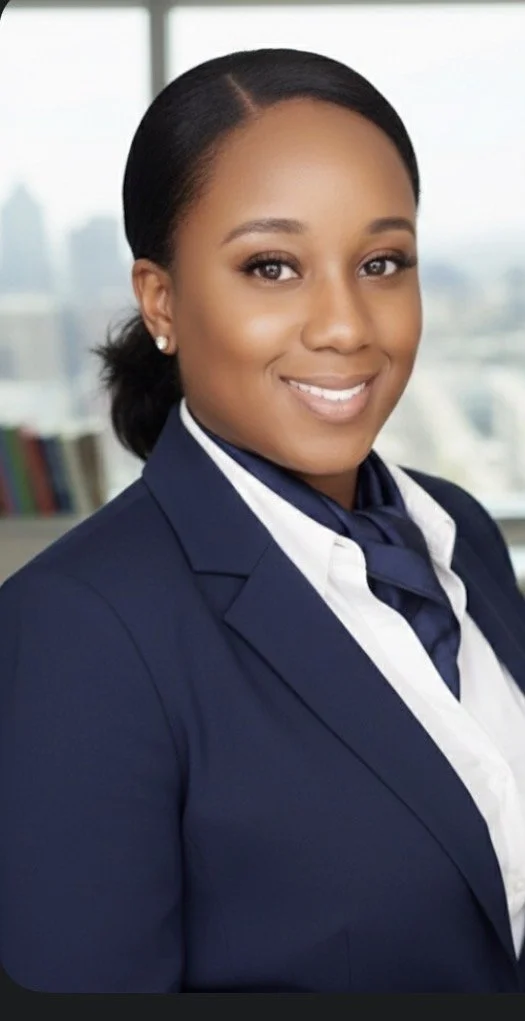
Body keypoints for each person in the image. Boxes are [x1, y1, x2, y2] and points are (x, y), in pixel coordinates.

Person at [1, 47, 525, 995]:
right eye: (271, 266)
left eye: (380, 262)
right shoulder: (79, 630)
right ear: (161, 300)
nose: (345, 325)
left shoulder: (458, 529)